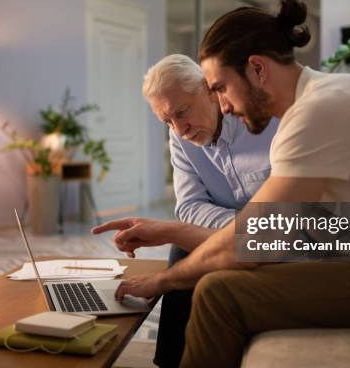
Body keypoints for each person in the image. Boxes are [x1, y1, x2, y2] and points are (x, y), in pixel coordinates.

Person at [95, 0, 350, 368]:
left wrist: (163, 281)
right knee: (221, 278)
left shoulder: (319, 111)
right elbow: (282, 232)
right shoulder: (321, 97)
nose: (224, 105)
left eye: (220, 88)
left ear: (257, 69)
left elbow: (258, 237)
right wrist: (176, 234)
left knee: (219, 294)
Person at [96, 54, 277, 367]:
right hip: (246, 236)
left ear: (209, 91)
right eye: (167, 121)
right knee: (185, 245)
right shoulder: (181, 137)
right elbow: (190, 207)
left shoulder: (267, 124)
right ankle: (170, 361)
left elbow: (282, 223)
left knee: (184, 245)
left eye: (182, 112)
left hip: (278, 243)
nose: (179, 130)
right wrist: (233, 230)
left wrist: (222, 233)